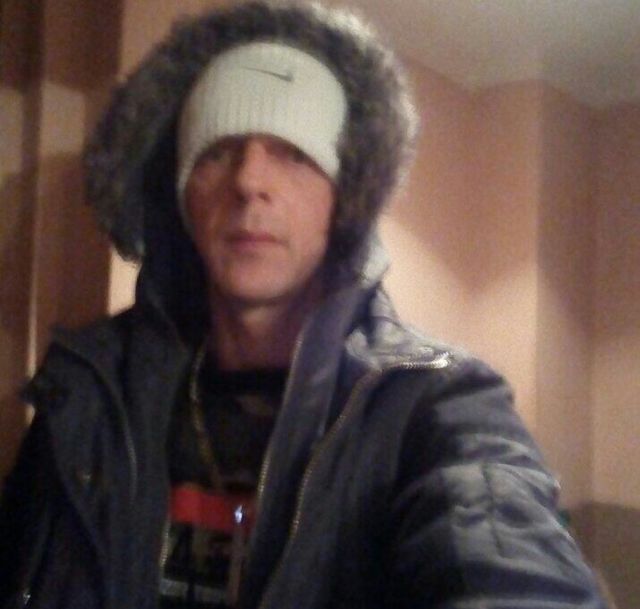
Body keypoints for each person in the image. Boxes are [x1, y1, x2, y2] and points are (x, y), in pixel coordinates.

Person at [0, 2, 609, 608]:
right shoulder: (87, 388)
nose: (249, 182)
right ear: (182, 198)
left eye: (295, 154)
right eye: (217, 152)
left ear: (344, 198)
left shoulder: (436, 405)